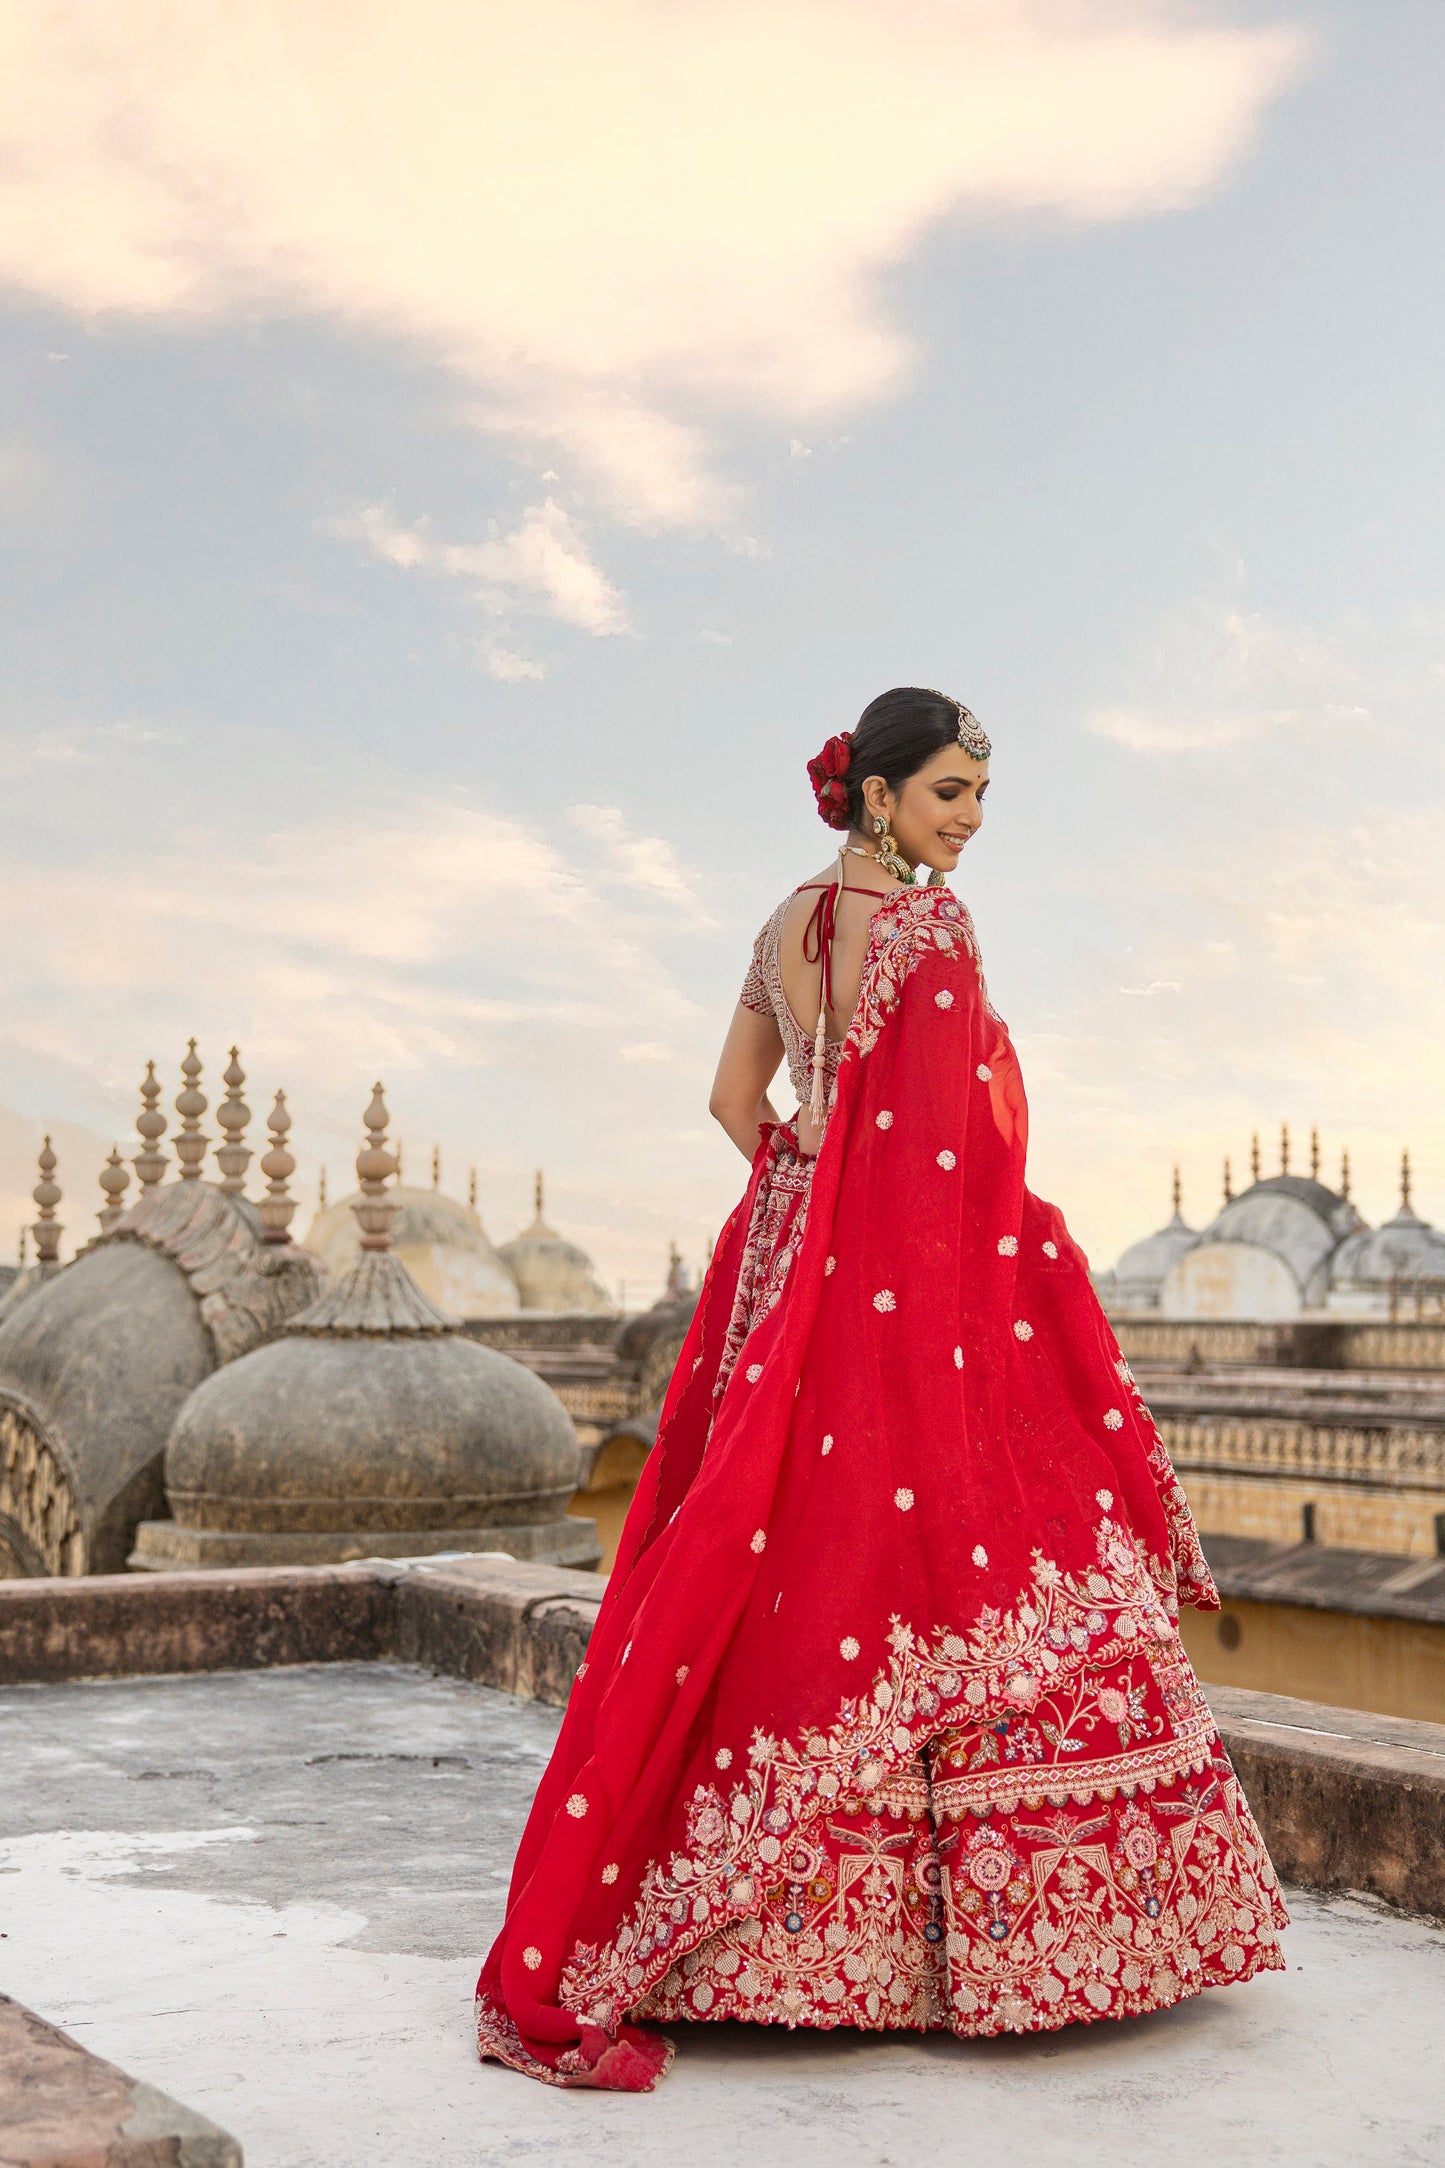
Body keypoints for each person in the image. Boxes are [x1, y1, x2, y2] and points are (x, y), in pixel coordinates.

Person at [474, 686, 1286, 2091]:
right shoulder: (929, 931)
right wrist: (963, 1265)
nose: (965, 824)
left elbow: (739, 1108)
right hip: (901, 1285)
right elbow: (960, 1151)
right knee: (948, 1550)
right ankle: (989, 1942)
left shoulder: (779, 926)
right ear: (877, 792)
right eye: (947, 794)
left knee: (780, 1553)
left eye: (977, 798)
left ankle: (731, 1928)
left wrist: (809, 1189)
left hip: (786, 1280)